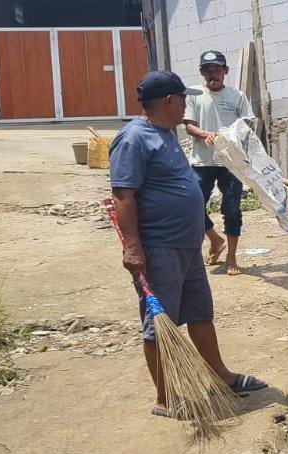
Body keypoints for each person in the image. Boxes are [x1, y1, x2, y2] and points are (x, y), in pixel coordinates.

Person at [110, 71, 267, 419]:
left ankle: (221, 376)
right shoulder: (134, 139)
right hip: (159, 248)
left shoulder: (165, 134)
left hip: (186, 246)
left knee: (199, 312)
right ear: (169, 101)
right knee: (159, 324)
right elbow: (123, 195)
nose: (186, 106)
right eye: (183, 99)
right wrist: (132, 247)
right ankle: (165, 398)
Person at [181, 50, 254, 276]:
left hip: (230, 163)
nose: (213, 74)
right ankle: (215, 239)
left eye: (217, 69)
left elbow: (247, 124)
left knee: (231, 209)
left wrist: (231, 137)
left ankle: (232, 257)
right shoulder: (194, 95)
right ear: (201, 72)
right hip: (202, 161)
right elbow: (189, 125)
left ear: (226, 71)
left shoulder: (237, 96)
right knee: (193, 206)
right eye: (208, 70)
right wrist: (205, 134)